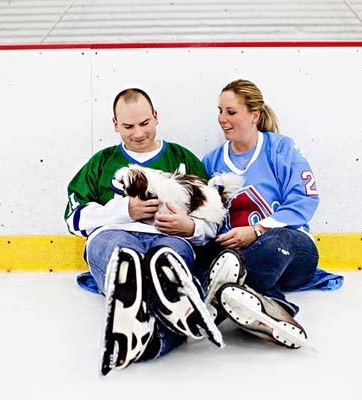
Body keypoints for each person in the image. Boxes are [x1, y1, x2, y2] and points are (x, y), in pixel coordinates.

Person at [65, 88, 222, 376]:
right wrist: (126, 211)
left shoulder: (182, 158)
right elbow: (74, 218)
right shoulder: (101, 162)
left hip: (170, 239)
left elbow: (212, 218)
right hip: (115, 234)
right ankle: (160, 297)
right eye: (128, 126)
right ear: (115, 125)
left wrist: (191, 227)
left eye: (145, 123)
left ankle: (156, 305)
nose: (138, 133)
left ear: (156, 117)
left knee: (168, 256)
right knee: (121, 254)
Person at [197, 79, 343, 349]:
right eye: (219, 111)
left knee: (274, 243)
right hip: (240, 257)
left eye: (231, 112)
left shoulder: (281, 149)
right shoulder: (210, 162)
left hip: (290, 252)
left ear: (255, 115)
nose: (222, 119)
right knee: (208, 254)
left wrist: (256, 231)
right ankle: (268, 306)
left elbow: (305, 199)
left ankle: (218, 296)